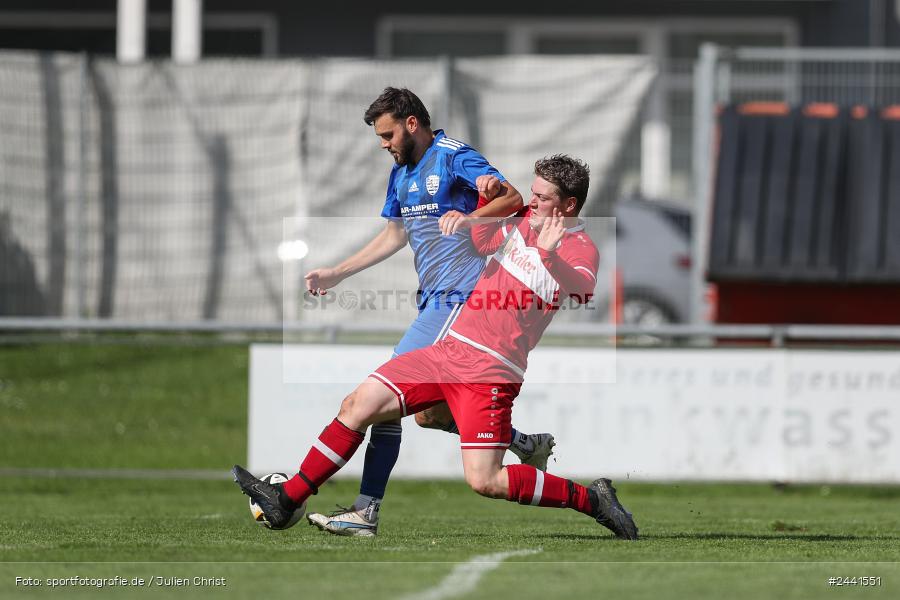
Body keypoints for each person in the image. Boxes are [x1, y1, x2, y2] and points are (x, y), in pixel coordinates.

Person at [235, 155, 638, 540]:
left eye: (542, 197)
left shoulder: (580, 247)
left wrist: (549, 256)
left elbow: (582, 289)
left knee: (486, 480)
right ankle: (285, 499)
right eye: (532, 193)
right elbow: (481, 242)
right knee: (357, 406)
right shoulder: (526, 221)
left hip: (491, 369)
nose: (531, 201)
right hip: (450, 349)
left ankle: (593, 500)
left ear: (568, 204)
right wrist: (485, 197)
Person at [301, 87, 555, 537]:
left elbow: (512, 198)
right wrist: (339, 272)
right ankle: (522, 442)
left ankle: (365, 511)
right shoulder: (400, 173)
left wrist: (474, 216)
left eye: (387, 134)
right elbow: (395, 237)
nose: (384, 144)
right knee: (427, 415)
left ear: (411, 123)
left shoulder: (453, 155)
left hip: (463, 302)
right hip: (433, 302)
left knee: (381, 399)